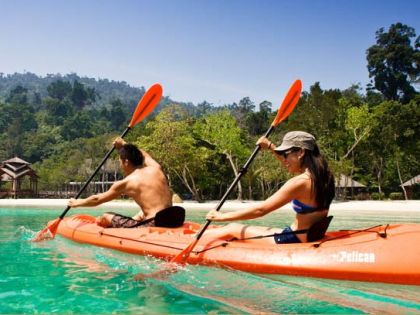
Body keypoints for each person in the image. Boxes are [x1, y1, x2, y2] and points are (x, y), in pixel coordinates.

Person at [205, 131, 335, 244]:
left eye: (285, 154)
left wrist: (220, 217)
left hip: (293, 239)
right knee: (246, 228)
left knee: (232, 228)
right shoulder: (325, 176)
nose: (284, 160)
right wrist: (270, 146)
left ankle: (192, 239)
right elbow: (288, 164)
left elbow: (261, 210)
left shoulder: (299, 182)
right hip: (309, 235)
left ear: (301, 152)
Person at [68, 137, 174, 228]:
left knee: (106, 216)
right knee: (141, 213)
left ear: (126, 162)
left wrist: (77, 203)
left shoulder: (127, 182)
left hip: (155, 223)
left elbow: (97, 199)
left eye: (120, 162)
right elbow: (145, 156)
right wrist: (124, 144)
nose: (120, 166)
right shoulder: (156, 169)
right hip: (174, 218)